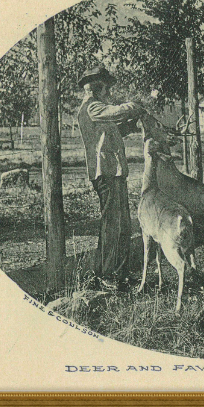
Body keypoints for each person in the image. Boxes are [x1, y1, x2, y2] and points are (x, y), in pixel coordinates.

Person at [77, 66, 147, 289]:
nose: (109, 91)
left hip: (114, 172)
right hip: (105, 172)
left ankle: (120, 273)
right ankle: (107, 275)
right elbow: (115, 112)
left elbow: (112, 130)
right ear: (98, 87)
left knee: (122, 224)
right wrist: (135, 107)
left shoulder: (98, 109)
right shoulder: (92, 107)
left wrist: (130, 125)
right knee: (111, 225)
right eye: (107, 86)